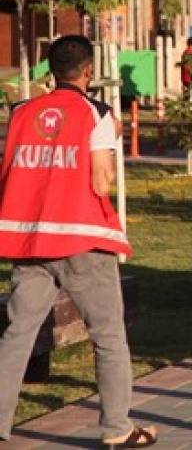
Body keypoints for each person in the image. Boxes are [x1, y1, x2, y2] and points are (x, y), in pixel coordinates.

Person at [0, 36, 159, 448]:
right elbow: (101, 180)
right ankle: (117, 428)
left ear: (51, 71)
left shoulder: (21, 113)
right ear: (89, 71)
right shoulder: (96, 114)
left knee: (17, 334)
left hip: (29, 240)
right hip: (82, 239)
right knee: (108, 336)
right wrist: (111, 139)